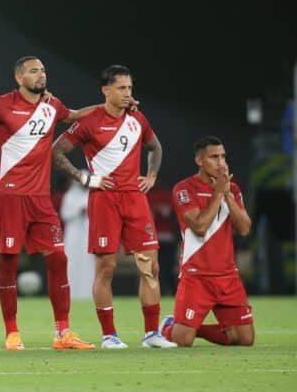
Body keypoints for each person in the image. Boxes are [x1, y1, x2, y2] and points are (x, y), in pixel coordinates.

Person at [51, 64, 176, 349]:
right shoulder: (89, 122)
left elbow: (155, 147)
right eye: (121, 88)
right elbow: (56, 151)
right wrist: (84, 177)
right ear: (105, 90)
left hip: (135, 198)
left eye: (130, 88)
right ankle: (109, 335)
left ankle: (151, 334)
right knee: (106, 268)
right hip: (104, 199)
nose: (127, 94)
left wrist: (152, 175)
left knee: (150, 267)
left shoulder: (138, 118)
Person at [0, 57, 95, 350]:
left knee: (58, 257)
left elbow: (76, 115)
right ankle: (12, 333)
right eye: (34, 71)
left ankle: (63, 333)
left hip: (40, 198)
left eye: (43, 70)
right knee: (8, 263)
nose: (41, 75)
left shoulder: (52, 106)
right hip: (9, 195)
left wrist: (110, 107)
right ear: (19, 77)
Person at [160, 136, 254, 347]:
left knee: (244, 339)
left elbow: (245, 229)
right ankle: (170, 328)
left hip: (227, 276)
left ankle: (190, 327)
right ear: (199, 161)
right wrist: (218, 193)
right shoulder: (184, 189)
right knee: (183, 341)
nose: (221, 162)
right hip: (196, 276)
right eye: (214, 157)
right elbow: (200, 227)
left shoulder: (233, 190)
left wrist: (227, 194)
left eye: (223, 157)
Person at [60, 173, 94, 300]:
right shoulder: (69, 196)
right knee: (71, 263)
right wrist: (78, 211)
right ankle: (70, 294)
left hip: (86, 234)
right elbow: (64, 214)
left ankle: (87, 294)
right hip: (73, 235)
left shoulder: (91, 195)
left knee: (87, 264)